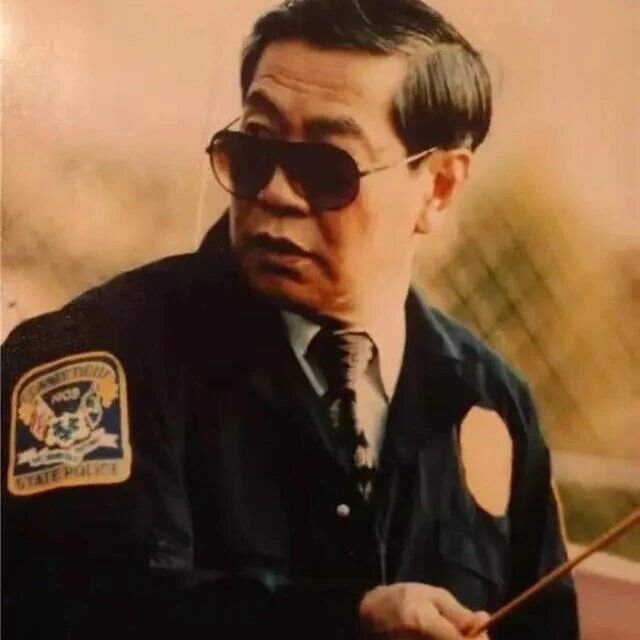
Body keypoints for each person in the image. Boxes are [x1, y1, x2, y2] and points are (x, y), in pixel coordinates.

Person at [2, 0, 579, 638]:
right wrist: (346, 624)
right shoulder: (96, 358)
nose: (275, 192)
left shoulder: (491, 402)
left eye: (326, 168)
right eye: (253, 150)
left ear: (439, 187)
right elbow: (78, 605)